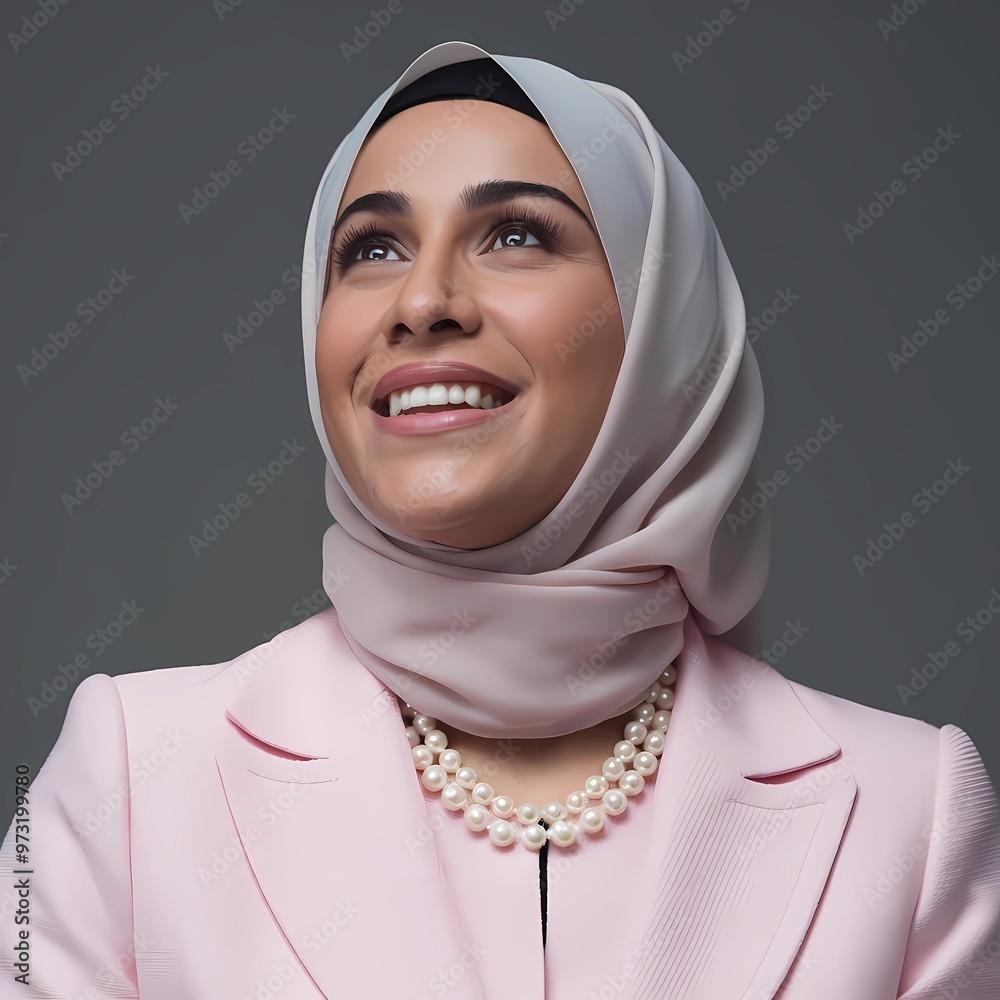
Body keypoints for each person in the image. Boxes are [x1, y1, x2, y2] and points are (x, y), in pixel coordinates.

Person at [1, 39, 998, 1000]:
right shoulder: (131, 779)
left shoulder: (907, 812)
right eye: (372, 248)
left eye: (516, 234)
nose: (423, 299)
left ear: (661, 323)